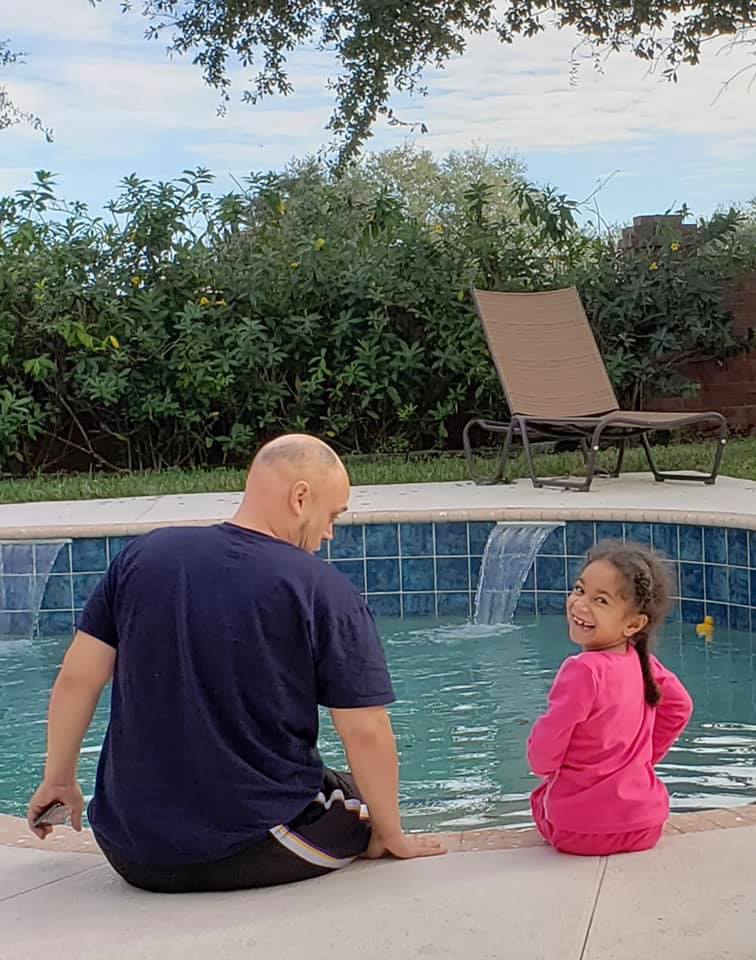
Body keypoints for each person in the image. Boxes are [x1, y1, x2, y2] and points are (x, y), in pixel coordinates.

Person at [28, 434, 445, 892]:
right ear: (300, 497)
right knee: (360, 797)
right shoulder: (322, 590)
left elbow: (76, 679)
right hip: (256, 846)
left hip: (129, 850)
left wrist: (59, 780)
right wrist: (390, 834)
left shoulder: (141, 557)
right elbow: (365, 729)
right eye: (332, 516)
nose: (329, 534)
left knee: (335, 781)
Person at [527, 540, 693, 857]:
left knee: (540, 797)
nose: (580, 605)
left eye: (600, 600)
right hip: (647, 825)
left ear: (633, 623)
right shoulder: (643, 662)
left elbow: (543, 754)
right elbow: (680, 707)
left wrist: (546, 770)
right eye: (579, 589)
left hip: (580, 831)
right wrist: (642, 760)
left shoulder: (583, 670)